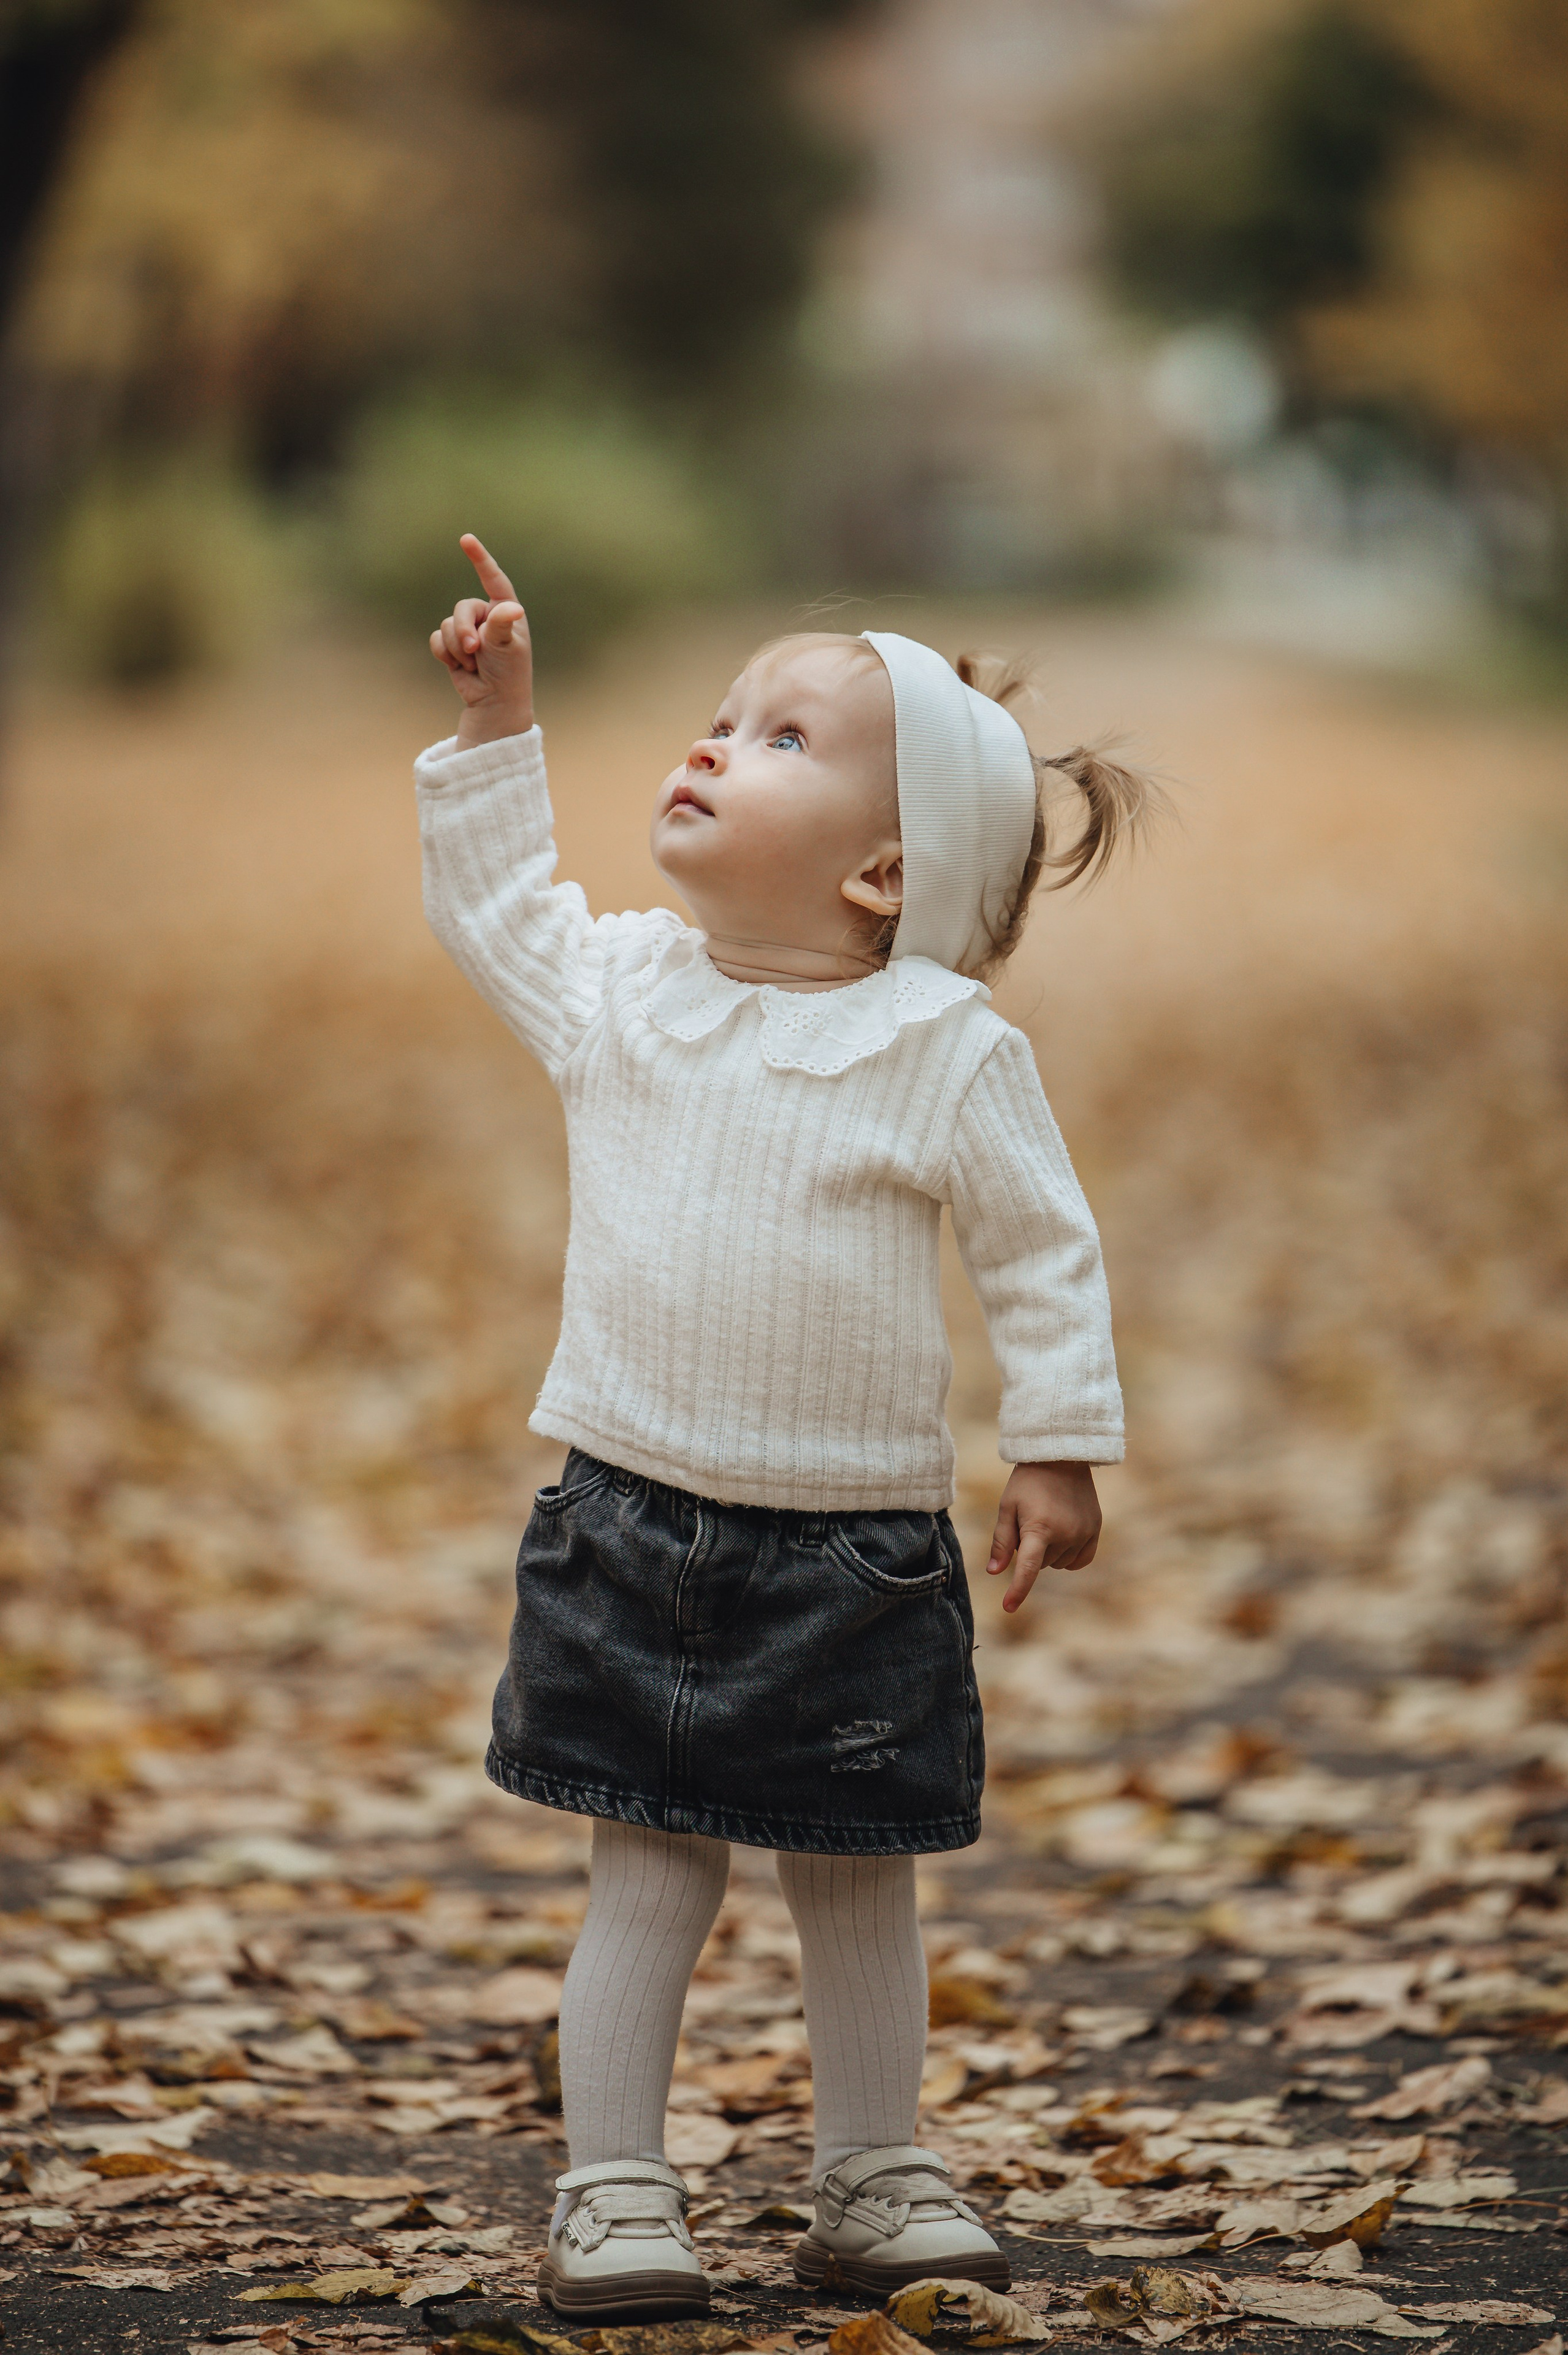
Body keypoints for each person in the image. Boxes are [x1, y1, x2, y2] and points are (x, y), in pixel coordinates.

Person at [417, 535, 1158, 2321]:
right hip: (626, 1516)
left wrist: (1056, 1445)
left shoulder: (945, 1047)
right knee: (647, 1869)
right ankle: (613, 2190)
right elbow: (501, 906)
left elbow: (1040, 1250)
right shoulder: (618, 993)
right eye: (720, 717)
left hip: (853, 1543)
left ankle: (872, 2167)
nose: (715, 744)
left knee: (857, 1876)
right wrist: (499, 725)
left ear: (886, 869)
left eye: (780, 740)